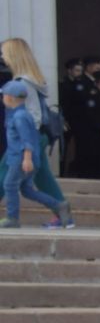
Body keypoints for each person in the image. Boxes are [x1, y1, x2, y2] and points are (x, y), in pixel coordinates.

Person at [0, 38, 68, 213]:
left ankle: (61, 210)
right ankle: (62, 211)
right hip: (36, 136)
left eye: (4, 53)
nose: (3, 58)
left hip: (27, 137)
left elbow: (33, 114)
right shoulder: (32, 80)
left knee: (4, 174)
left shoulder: (23, 83)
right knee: (43, 177)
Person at [3, 79, 72, 229]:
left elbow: (26, 139)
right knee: (27, 190)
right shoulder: (23, 114)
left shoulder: (19, 117)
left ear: (10, 97)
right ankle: (59, 205)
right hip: (26, 159)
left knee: (9, 185)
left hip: (20, 159)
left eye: (3, 96)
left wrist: (27, 159)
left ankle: (12, 218)